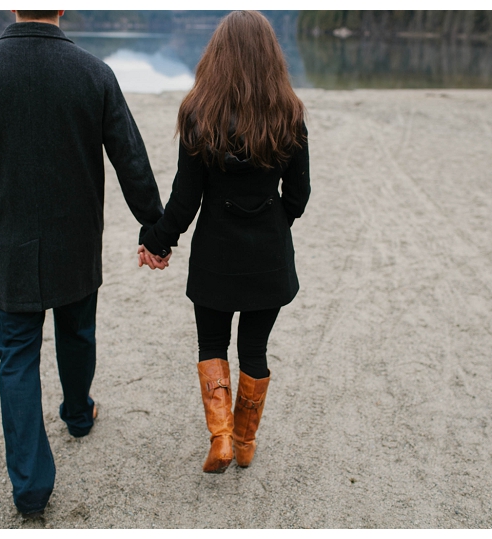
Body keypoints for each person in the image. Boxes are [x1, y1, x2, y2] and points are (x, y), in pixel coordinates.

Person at [0, 10, 165, 517]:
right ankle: (79, 416)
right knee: (77, 331)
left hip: (7, 243)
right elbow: (130, 157)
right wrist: (155, 226)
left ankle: (31, 490)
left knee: (16, 356)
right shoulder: (93, 72)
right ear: (62, 7)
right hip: (76, 236)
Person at [138, 10, 310, 473]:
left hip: (215, 254)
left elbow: (185, 199)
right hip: (269, 257)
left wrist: (156, 240)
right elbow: (299, 195)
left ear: (217, 54)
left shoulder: (198, 112)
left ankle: (221, 440)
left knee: (211, 343)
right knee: (254, 349)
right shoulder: (289, 112)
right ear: (271, 56)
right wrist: (273, 225)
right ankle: (246, 442)